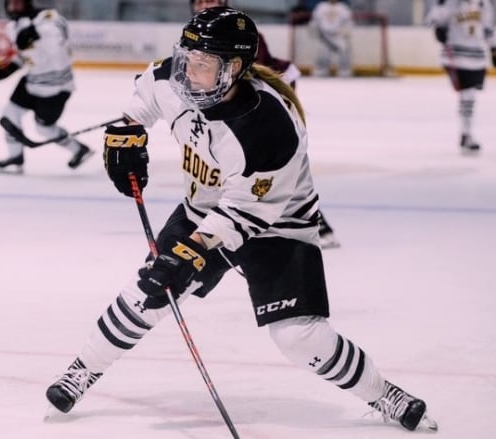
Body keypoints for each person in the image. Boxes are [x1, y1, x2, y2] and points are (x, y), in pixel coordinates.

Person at [45, 7, 437, 433]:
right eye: (186, 58)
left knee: (298, 338)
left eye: (202, 64)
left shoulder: (268, 127)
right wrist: (128, 131)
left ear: (233, 69)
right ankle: (83, 369)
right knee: (147, 294)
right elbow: (144, 96)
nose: (187, 72)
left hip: (277, 226)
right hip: (202, 209)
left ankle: (384, 394)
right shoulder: (174, 78)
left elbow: (248, 211)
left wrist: (191, 250)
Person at [191, 0, 340, 249]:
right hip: (235, 113)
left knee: (275, 169)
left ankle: (313, 222)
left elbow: (249, 79)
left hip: (261, 109)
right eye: (200, 1)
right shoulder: (195, 36)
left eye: (212, 0)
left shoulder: (239, 34)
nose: (206, 5)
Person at [0, 0, 92, 173]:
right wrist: (10, 66)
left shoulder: (47, 16)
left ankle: (79, 149)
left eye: (18, 4)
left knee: (44, 129)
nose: (14, 8)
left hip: (57, 86)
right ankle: (16, 157)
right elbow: (28, 54)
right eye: (11, 4)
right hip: (32, 81)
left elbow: (58, 35)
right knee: (9, 115)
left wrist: (35, 31)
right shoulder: (12, 27)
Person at [426, 0, 496, 154]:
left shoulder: (484, 4)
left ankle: (466, 133)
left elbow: (488, 28)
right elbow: (433, 17)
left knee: (469, 96)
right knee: (467, 94)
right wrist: (438, 28)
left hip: (476, 58)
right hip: (455, 55)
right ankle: (466, 133)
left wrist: (495, 47)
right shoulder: (449, 2)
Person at [309, 0, 354, 77]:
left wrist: (344, 32)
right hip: (324, 36)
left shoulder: (343, 8)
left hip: (338, 36)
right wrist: (314, 29)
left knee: (344, 51)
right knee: (322, 54)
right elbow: (315, 21)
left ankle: (344, 71)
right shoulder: (321, 7)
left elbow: (348, 22)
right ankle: (321, 70)